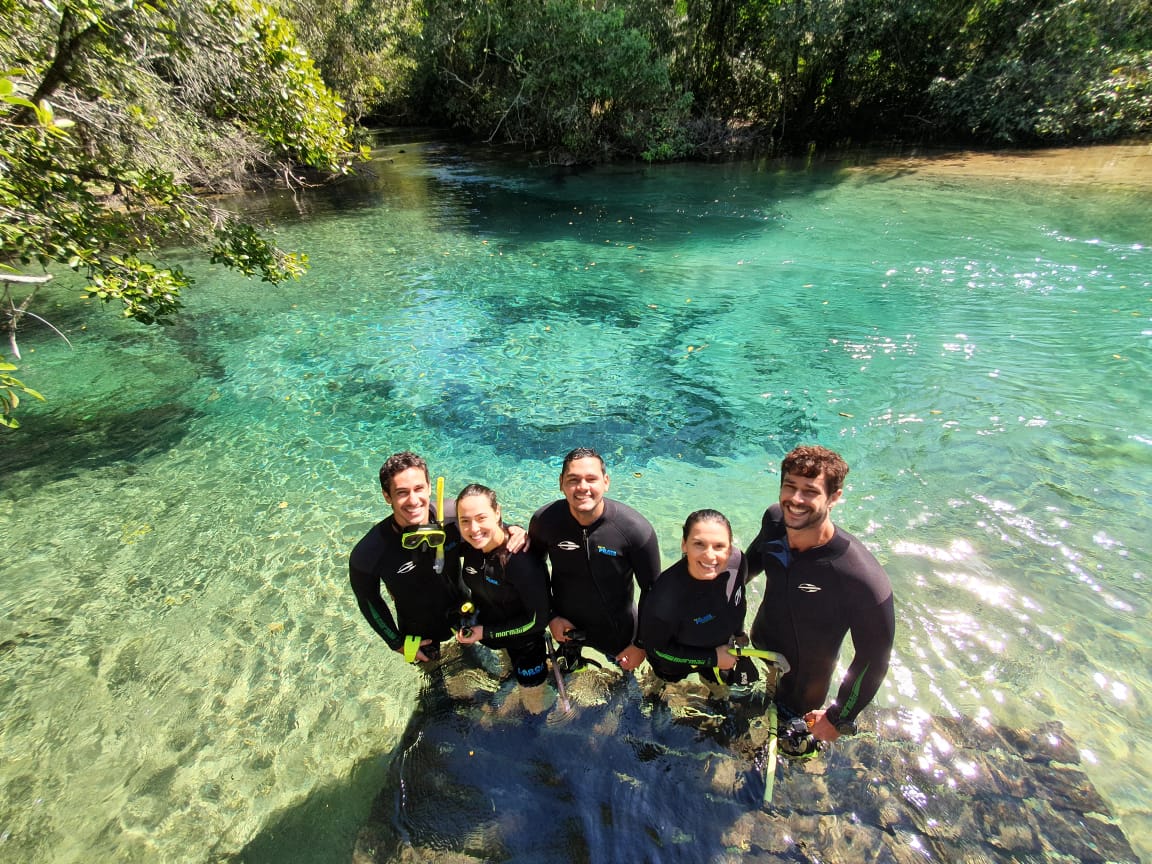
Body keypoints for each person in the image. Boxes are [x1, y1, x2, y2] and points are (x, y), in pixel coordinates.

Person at [746, 445, 895, 745]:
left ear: (834, 497)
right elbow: (745, 571)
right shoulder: (775, 522)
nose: (796, 500)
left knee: (786, 756)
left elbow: (874, 658)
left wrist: (840, 717)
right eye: (790, 487)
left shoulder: (858, 576)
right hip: (758, 651)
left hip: (802, 687)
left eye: (810, 491)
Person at [348, 452, 527, 666]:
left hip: (463, 611)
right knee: (434, 686)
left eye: (419, 489)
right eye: (402, 493)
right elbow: (368, 601)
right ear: (387, 496)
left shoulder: (455, 517)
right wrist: (395, 642)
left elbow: (489, 530)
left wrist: (515, 531)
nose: (413, 500)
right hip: (419, 630)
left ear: (430, 487)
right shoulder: (369, 552)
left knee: (489, 665)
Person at [529, 447, 661, 673]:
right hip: (565, 628)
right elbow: (532, 571)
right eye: (573, 479)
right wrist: (551, 616)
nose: (582, 487)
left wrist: (640, 644)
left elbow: (653, 592)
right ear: (561, 482)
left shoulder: (634, 530)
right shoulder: (545, 521)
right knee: (572, 678)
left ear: (606, 482)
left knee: (626, 693)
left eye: (591, 479)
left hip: (619, 634)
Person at [639, 510, 758, 686]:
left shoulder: (738, 561)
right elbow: (658, 649)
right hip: (675, 663)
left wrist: (739, 634)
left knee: (721, 693)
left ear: (730, 546)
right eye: (699, 544)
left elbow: (739, 600)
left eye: (719, 546)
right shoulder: (665, 595)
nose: (710, 556)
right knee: (661, 688)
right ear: (684, 545)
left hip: (721, 651)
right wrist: (712, 658)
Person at [454, 484, 551, 689]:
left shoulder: (519, 560)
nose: (474, 528)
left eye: (481, 518)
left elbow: (538, 621)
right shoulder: (470, 547)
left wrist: (486, 632)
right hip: (492, 631)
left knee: (535, 704)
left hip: (525, 641)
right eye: (465, 521)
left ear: (497, 512)